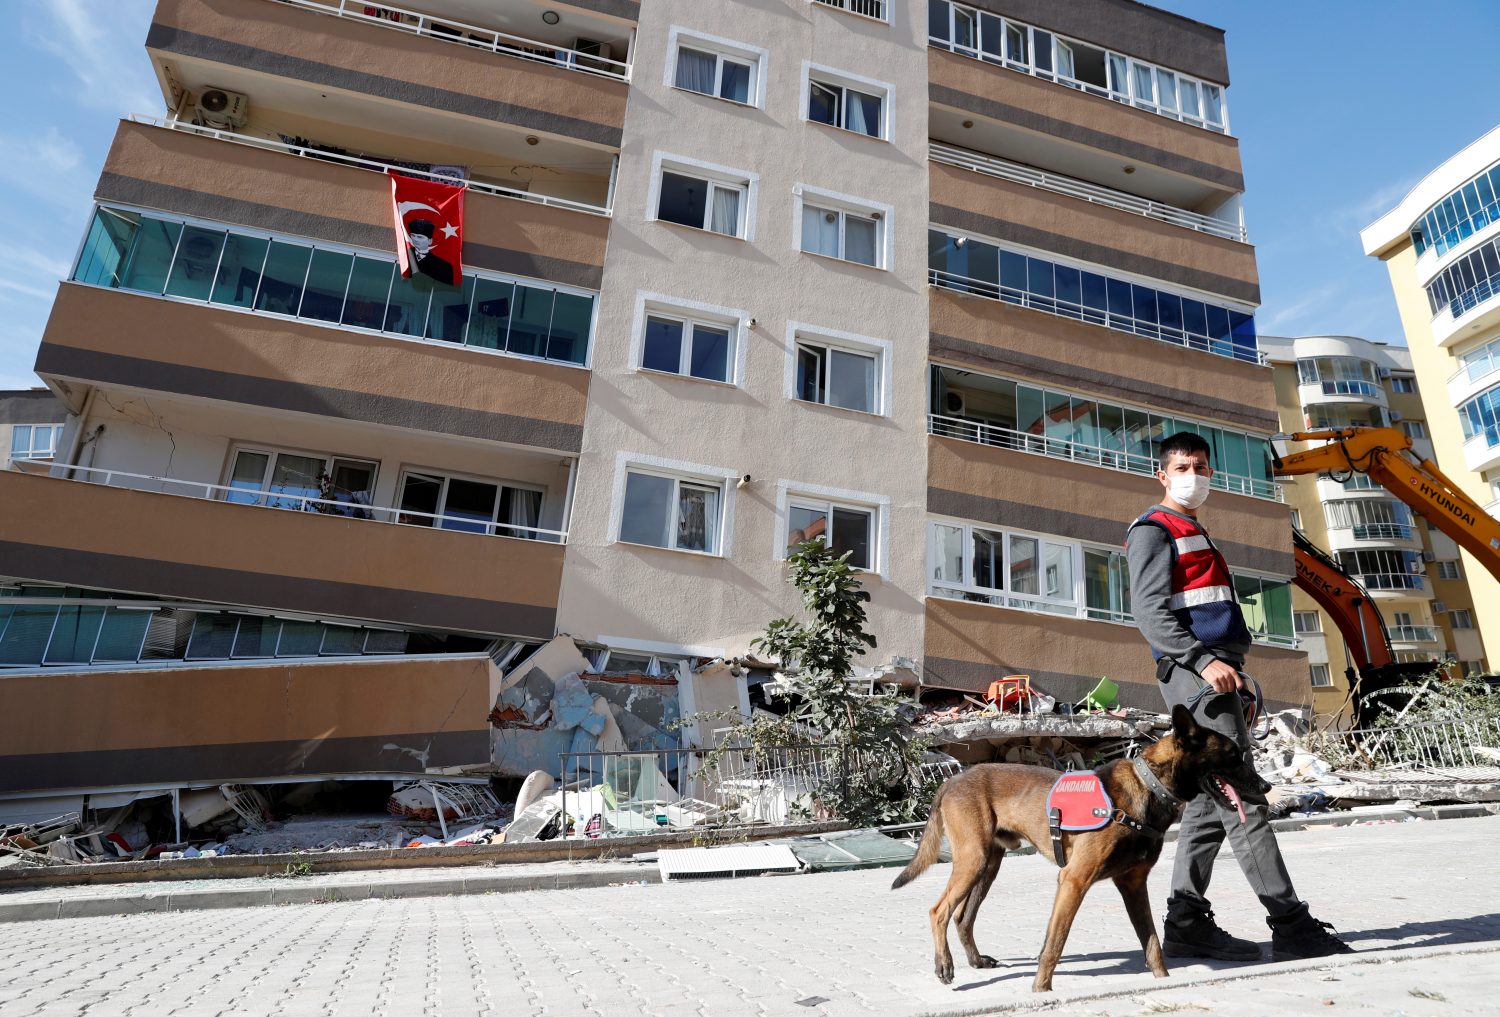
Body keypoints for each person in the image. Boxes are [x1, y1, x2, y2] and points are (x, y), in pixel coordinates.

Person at [1125, 431, 1352, 962]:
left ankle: (1185, 923)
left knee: (1207, 801)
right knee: (1241, 797)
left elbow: (1212, 616)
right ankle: (1291, 923)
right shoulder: (1154, 529)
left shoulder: (1194, 531)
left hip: (1216, 675)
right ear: (1162, 474)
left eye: (1202, 466)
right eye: (1183, 467)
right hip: (1195, 674)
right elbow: (1150, 613)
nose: (1194, 475)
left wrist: (1237, 674)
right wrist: (1204, 663)